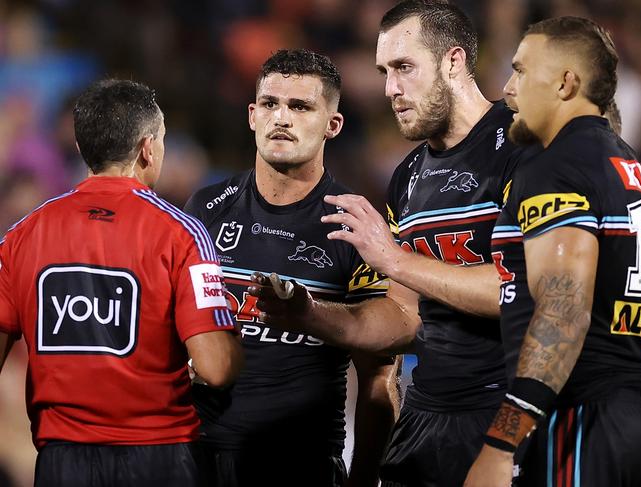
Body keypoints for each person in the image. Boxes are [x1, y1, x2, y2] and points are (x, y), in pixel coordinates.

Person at [249, 2, 527, 486]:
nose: (390, 89)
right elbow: (404, 319)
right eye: (383, 72)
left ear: (453, 61)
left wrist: (394, 258)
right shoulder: (408, 177)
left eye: (403, 68)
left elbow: (524, 291)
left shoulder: (523, 146)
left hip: (507, 412)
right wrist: (309, 315)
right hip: (425, 416)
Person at [0, 79, 243, 487]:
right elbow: (216, 368)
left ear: (82, 148)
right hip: (160, 459)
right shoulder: (182, 233)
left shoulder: (21, 235)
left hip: (61, 462)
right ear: (148, 148)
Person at [183, 49, 399, 487]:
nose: (281, 117)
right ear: (251, 115)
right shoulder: (205, 208)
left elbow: (379, 378)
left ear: (332, 125)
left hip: (301, 464)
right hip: (198, 457)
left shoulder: (355, 225)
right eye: (270, 104)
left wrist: (363, 481)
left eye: (300, 106)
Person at [464, 17, 641, 487]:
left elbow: (564, 313)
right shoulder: (627, 164)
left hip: (580, 417)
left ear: (566, 83)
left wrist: (501, 442)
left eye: (522, 71)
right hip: (633, 419)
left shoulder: (555, 165)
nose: (508, 89)